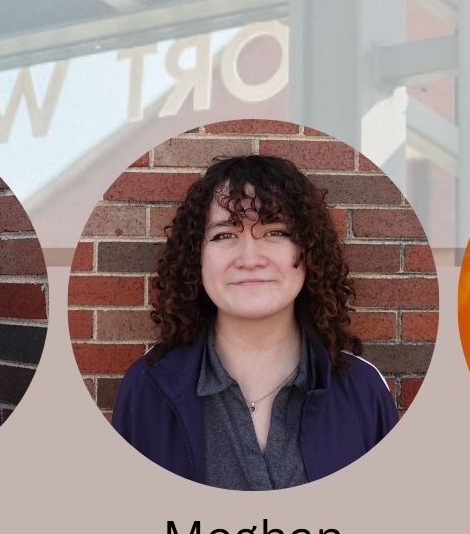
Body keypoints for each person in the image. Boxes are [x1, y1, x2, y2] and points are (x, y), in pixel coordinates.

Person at [112, 154, 395, 488]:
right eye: (223, 235)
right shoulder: (146, 388)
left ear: (308, 252)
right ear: (196, 257)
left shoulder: (363, 390)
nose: (249, 259)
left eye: (274, 231)